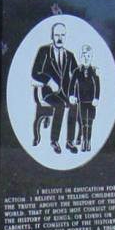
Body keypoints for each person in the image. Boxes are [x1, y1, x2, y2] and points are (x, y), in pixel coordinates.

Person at [31, 22, 79, 153]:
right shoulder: (44, 51)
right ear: (52, 36)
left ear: (65, 37)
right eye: (57, 35)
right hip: (48, 92)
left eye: (62, 35)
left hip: (65, 92)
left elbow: (76, 74)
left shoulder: (69, 55)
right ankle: (54, 141)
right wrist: (49, 81)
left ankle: (70, 142)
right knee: (60, 105)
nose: (60, 38)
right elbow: (35, 72)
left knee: (74, 105)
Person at [69, 44, 100, 152]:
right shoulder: (77, 71)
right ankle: (83, 141)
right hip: (81, 101)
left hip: (91, 102)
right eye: (84, 56)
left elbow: (97, 85)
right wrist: (71, 95)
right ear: (80, 57)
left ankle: (88, 141)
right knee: (83, 122)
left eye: (88, 56)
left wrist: (96, 98)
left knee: (90, 122)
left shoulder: (94, 71)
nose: (86, 58)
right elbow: (72, 84)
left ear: (91, 57)